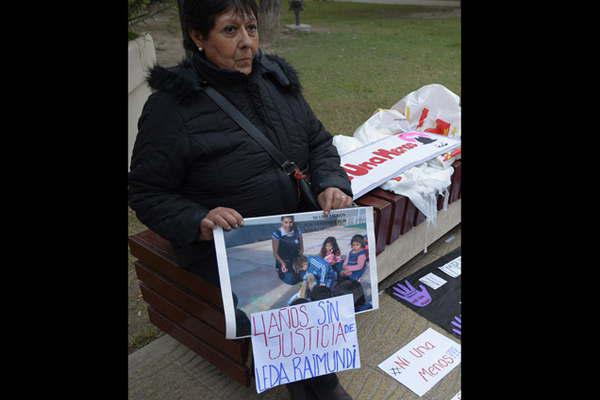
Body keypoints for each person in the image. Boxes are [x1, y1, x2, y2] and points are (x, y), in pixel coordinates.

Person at [127, 0, 353, 398]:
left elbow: (318, 142)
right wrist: (199, 220)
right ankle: (318, 384)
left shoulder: (278, 80)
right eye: (230, 31)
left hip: (294, 225)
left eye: (251, 28)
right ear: (198, 37)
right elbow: (146, 191)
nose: (247, 42)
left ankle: (316, 367)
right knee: (290, 287)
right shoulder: (170, 107)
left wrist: (332, 182)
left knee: (329, 271)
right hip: (230, 243)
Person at [272, 215, 304, 285]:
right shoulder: (277, 234)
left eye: (290, 222)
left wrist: (300, 261)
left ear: (293, 222)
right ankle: (280, 271)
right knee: (292, 281)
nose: (288, 225)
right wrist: (282, 264)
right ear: (282, 222)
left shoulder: (297, 230)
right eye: (285, 222)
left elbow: (301, 248)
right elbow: (275, 253)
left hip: (295, 260)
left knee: (303, 276)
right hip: (284, 261)